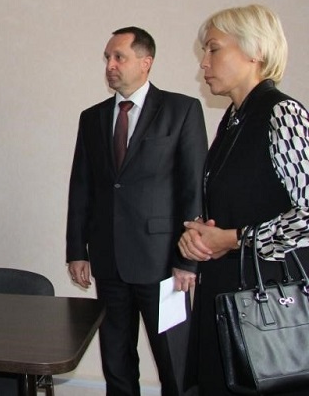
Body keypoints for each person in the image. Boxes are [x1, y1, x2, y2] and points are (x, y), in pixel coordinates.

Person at [66, 26, 207, 396]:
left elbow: (193, 189)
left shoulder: (182, 110)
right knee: (116, 362)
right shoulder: (92, 117)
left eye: (119, 57)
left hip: (164, 264)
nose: (110, 65)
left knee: (175, 364)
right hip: (109, 261)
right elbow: (81, 186)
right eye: (107, 58)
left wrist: (188, 260)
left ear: (146, 62)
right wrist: (77, 250)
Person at [177, 4, 309, 395]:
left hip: (271, 308)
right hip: (230, 296)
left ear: (256, 51)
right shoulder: (234, 120)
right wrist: (199, 237)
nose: (204, 62)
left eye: (214, 48)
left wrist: (236, 238)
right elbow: (238, 204)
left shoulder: (283, 114)